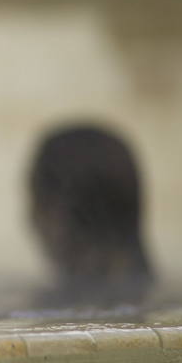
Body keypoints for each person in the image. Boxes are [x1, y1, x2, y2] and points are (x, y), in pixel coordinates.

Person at [28, 125, 154, 305]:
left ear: (63, 212)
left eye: (35, 199)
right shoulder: (147, 296)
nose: (29, 218)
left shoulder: (61, 308)